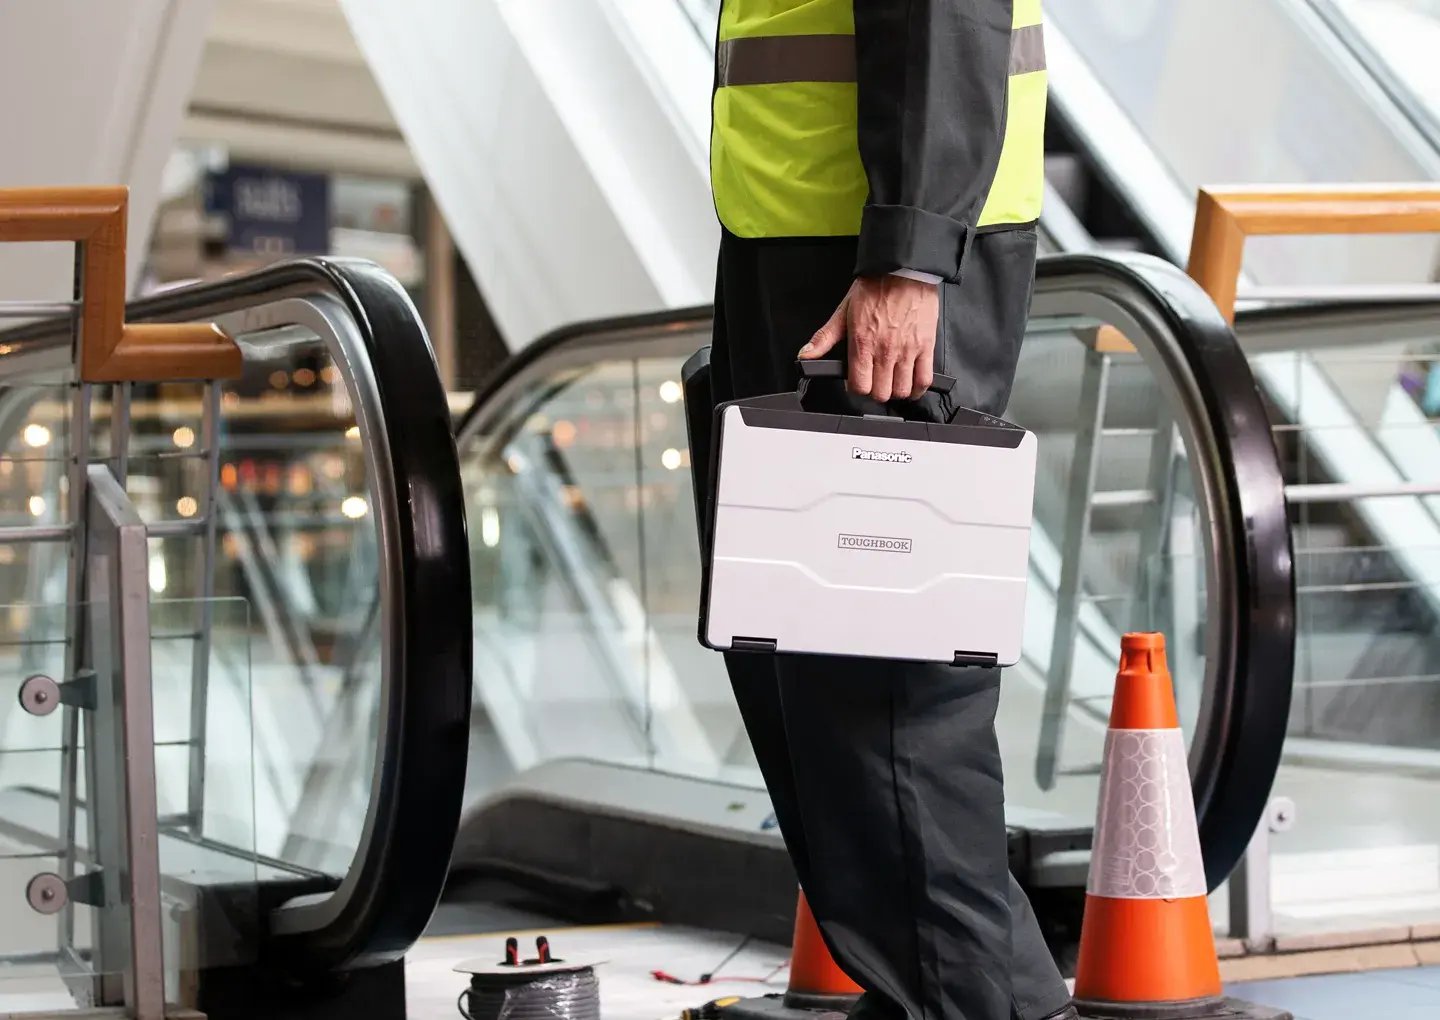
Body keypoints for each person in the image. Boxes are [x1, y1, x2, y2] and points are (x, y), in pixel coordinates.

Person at [705, 1, 1076, 1019]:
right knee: (798, 666)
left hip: (875, 251)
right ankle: (937, 995)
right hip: (799, 231)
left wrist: (911, 250)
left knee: (887, 703)